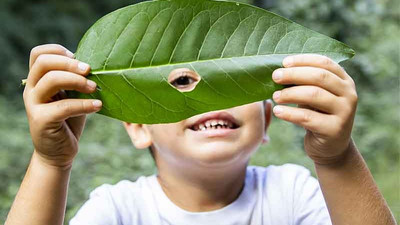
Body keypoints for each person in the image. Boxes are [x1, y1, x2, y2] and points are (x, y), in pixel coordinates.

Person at [5, 44, 396, 225]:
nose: (207, 100)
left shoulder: (292, 193)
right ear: (138, 127)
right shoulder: (118, 210)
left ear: (268, 119)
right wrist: (51, 163)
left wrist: (337, 158)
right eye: (181, 83)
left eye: (232, 86)